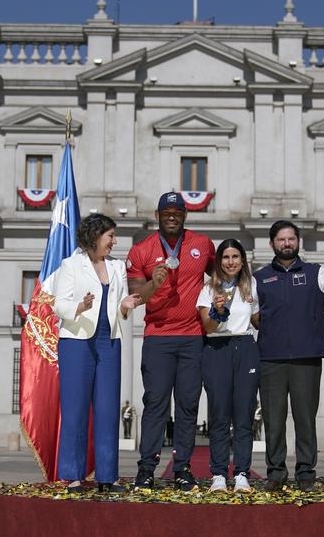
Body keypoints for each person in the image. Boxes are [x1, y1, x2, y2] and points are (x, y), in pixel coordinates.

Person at [127, 191, 215, 491]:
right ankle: (147, 468)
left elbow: (221, 277)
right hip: (158, 338)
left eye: (178, 211)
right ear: (158, 215)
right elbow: (138, 297)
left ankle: (182, 468)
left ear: (185, 215)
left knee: (188, 405)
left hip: (193, 338)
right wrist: (156, 282)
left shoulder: (202, 244)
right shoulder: (141, 250)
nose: (172, 215)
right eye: (167, 212)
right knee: (155, 404)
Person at [53, 213, 142, 493]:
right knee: (75, 410)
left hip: (109, 340)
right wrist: (78, 307)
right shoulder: (71, 265)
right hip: (76, 341)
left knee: (107, 409)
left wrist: (126, 304)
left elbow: (120, 309)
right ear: (95, 237)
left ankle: (108, 476)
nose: (114, 242)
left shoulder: (117, 267)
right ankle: (74, 476)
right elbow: (59, 304)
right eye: (110, 236)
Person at [253, 220, 324, 492]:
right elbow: (250, 313)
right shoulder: (260, 277)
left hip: (306, 358)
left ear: (298, 241)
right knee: (273, 420)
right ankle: (275, 473)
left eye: (291, 239)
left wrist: (322, 323)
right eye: (281, 239)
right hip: (270, 359)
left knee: (305, 418)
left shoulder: (317, 273)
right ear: (272, 243)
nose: (286, 244)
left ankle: (306, 472)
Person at [196, 239, 260, 493]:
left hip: (245, 347)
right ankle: (219, 474)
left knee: (244, 415)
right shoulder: (208, 288)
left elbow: (257, 320)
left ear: (242, 260)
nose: (231, 262)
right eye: (225, 257)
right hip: (217, 348)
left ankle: (242, 473)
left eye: (235, 256)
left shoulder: (251, 285)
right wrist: (215, 309)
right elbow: (208, 327)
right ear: (218, 261)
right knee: (219, 415)